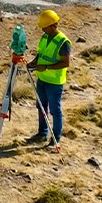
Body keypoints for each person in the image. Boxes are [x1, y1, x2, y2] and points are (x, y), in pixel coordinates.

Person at [28, 9, 71, 151]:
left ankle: (55, 139)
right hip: (42, 79)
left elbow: (66, 63)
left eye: (44, 27)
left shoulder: (63, 42)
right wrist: (33, 63)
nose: (42, 30)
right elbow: (41, 54)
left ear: (53, 25)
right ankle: (42, 133)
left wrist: (46, 67)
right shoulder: (45, 37)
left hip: (54, 82)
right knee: (41, 107)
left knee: (55, 111)